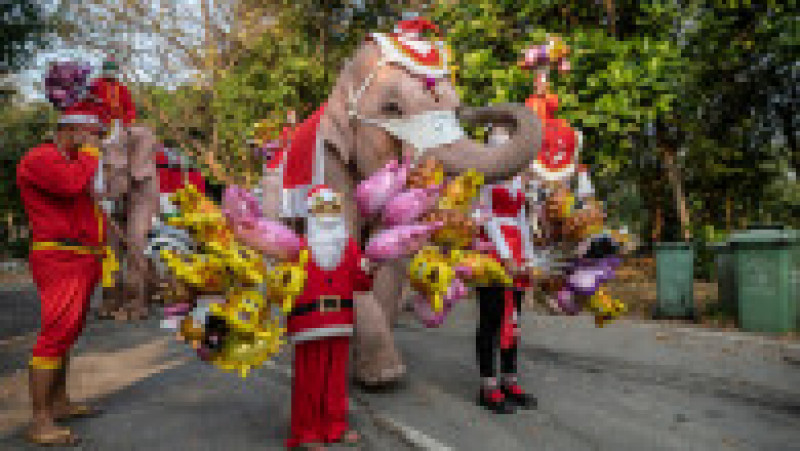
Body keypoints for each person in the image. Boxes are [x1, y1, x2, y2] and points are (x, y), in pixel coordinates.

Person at [16, 101, 107, 446]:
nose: (97, 141)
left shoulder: (75, 161)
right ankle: (40, 421)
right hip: (59, 257)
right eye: (93, 135)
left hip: (82, 256)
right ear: (71, 130)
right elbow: (69, 186)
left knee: (67, 333)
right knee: (55, 335)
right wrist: (89, 157)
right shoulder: (40, 158)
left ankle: (59, 402)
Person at [285, 185, 374, 450]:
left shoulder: (349, 247)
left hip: (340, 321)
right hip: (308, 322)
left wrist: (370, 268)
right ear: (311, 212)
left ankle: (336, 426)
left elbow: (362, 284)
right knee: (309, 377)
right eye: (321, 209)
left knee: (336, 379)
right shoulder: (296, 247)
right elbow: (283, 285)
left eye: (332, 208)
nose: (328, 215)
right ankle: (307, 431)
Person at [474, 176, 540, 414]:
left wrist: (530, 257)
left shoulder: (519, 178)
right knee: (491, 319)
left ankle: (509, 380)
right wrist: (504, 255)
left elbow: (522, 220)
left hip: (517, 252)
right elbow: (486, 216)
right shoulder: (488, 174)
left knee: (513, 320)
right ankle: (487, 385)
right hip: (492, 251)